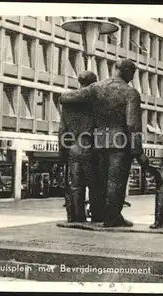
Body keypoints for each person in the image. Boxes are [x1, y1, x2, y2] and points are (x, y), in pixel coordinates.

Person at [59, 59, 149, 227]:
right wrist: (138, 151)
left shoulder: (96, 88)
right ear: (129, 72)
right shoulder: (130, 93)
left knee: (101, 181)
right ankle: (112, 217)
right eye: (133, 73)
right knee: (116, 181)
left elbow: (66, 97)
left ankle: (100, 215)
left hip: (99, 141)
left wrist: (63, 97)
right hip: (119, 142)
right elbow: (132, 124)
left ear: (115, 68)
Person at [59, 71, 98, 222]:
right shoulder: (95, 101)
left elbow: (62, 129)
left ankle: (76, 216)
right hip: (91, 146)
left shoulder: (68, 103)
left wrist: (62, 151)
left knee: (75, 185)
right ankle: (96, 215)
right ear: (94, 83)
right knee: (95, 184)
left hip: (74, 147)